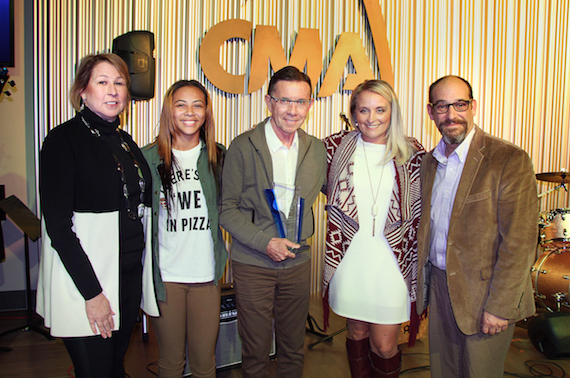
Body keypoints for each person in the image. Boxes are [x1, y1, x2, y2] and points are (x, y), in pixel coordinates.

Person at [36, 53, 153, 378]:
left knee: (114, 367)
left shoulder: (124, 141)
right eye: (102, 82)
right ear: (83, 91)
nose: (113, 90)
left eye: (119, 83)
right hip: (88, 281)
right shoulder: (63, 140)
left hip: (127, 276)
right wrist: (93, 294)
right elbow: (58, 227)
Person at [416, 75, 538, 377]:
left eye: (459, 104)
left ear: (473, 106)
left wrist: (500, 306)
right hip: (441, 287)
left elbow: (520, 242)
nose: (451, 115)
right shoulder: (429, 163)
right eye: (442, 106)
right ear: (431, 112)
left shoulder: (508, 158)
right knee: (443, 372)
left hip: (486, 293)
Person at [219, 66, 327, 377]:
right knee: (255, 350)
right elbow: (227, 209)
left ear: (309, 104)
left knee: (294, 347)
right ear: (269, 102)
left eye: (301, 102)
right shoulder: (242, 146)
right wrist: (265, 242)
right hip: (253, 262)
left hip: (297, 262)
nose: (293, 111)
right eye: (285, 101)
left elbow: (338, 186)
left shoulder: (316, 149)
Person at [322, 80, 425, 378]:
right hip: (349, 259)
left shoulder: (413, 155)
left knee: (384, 345)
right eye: (363, 110)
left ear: (393, 112)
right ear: (354, 113)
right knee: (355, 332)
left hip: (392, 262)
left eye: (380, 109)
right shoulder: (334, 149)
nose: (372, 117)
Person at [141, 80, 227, 378]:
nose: (189, 112)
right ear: (169, 110)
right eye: (181, 104)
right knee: (171, 362)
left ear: (206, 113)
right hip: (167, 278)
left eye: (198, 105)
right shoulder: (148, 158)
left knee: (205, 364)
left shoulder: (219, 158)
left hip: (206, 275)